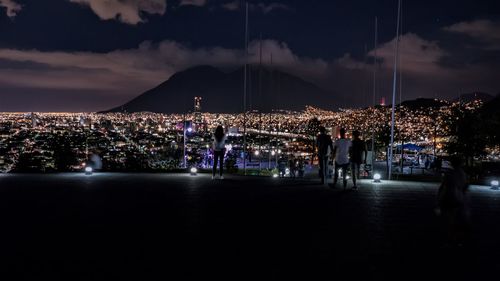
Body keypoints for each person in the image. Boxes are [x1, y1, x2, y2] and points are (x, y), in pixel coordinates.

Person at [436, 156, 469, 246]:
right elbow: (465, 187)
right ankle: (456, 237)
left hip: (449, 197)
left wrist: (438, 199)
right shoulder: (463, 174)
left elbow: (443, 187)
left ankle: (449, 237)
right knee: (457, 219)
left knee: (449, 218)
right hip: (459, 198)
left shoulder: (449, 173)